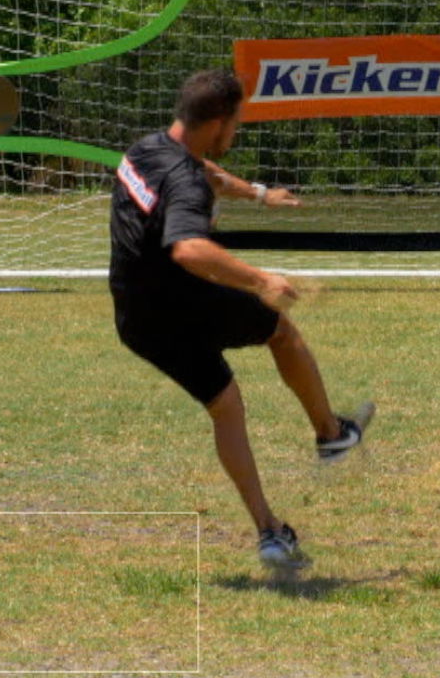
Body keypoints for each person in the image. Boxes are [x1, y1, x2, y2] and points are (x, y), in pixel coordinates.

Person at [108, 68, 371, 570]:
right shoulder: (184, 181)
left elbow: (205, 172)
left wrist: (256, 194)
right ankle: (330, 433)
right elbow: (187, 248)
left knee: (226, 407)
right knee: (280, 330)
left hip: (137, 320)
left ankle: (271, 533)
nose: (237, 133)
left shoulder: (147, 149)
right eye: (237, 124)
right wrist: (259, 280)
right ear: (219, 122)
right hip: (184, 306)